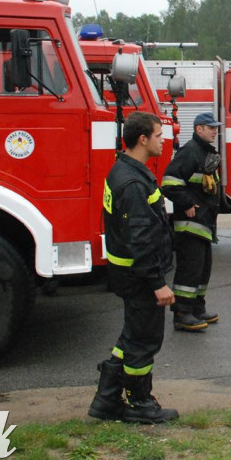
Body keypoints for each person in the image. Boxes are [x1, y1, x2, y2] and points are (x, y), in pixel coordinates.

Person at [88, 112, 178, 423]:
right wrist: (158, 283)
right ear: (143, 139)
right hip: (140, 277)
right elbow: (142, 240)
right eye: (158, 135)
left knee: (131, 336)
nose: (163, 139)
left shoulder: (123, 171)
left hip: (129, 274)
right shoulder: (132, 183)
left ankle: (107, 401)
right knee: (144, 341)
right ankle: (141, 403)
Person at [162, 111, 223, 332]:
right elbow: (169, 183)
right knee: (189, 269)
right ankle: (182, 313)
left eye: (216, 127)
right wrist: (187, 204)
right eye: (211, 128)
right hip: (191, 224)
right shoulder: (190, 152)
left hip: (204, 222)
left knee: (202, 268)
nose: (215, 131)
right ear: (199, 129)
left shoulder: (204, 151)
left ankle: (197, 307)